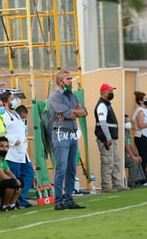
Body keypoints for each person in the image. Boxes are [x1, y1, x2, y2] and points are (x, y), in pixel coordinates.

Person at [49, 71, 87, 210]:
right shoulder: (55, 96)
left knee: (71, 169)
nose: (71, 81)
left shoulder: (73, 95)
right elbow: (68, 115)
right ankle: (58, 201)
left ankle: (69, 199)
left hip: (72, 134)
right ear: (60, 82)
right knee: (61, 168)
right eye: (68, 79)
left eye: (71, 78)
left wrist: (73, 112)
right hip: (61, 134)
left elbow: (84, 112)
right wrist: (74, 111)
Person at [0, 91, 34, 208]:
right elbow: (2, 133)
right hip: (12, 151)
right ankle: (16, 201)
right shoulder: (4, 116)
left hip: (22, 151)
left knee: (29, 173)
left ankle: (21, 198)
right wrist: (13, 140)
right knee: (16, 177)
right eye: (12, 98)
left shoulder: (16, 114)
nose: (15, 101)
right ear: (5, 102)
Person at [94, 83, 124, 192]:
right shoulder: (102, 105)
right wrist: (108, 137)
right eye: (110, 91)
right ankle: (106, 186)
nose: (112, 93)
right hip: (106, 139)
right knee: (107, 162)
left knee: (115, 161)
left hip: (111, 138)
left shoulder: (107, 105)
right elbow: (103, 122)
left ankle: (117, 184)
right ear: (103, 93)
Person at [124, 115, 145, 188]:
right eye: (126, 121)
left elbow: (129, 144)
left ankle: (139, 180)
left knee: (138, 159)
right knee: (133, 162)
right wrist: (132, 157)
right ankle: (132, 183)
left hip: (126, 156)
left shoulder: (127, 131)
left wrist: (135, 155)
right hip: (122, 157)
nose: (128, 123)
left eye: (129, 121)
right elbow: (125, 145)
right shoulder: (122, 132)